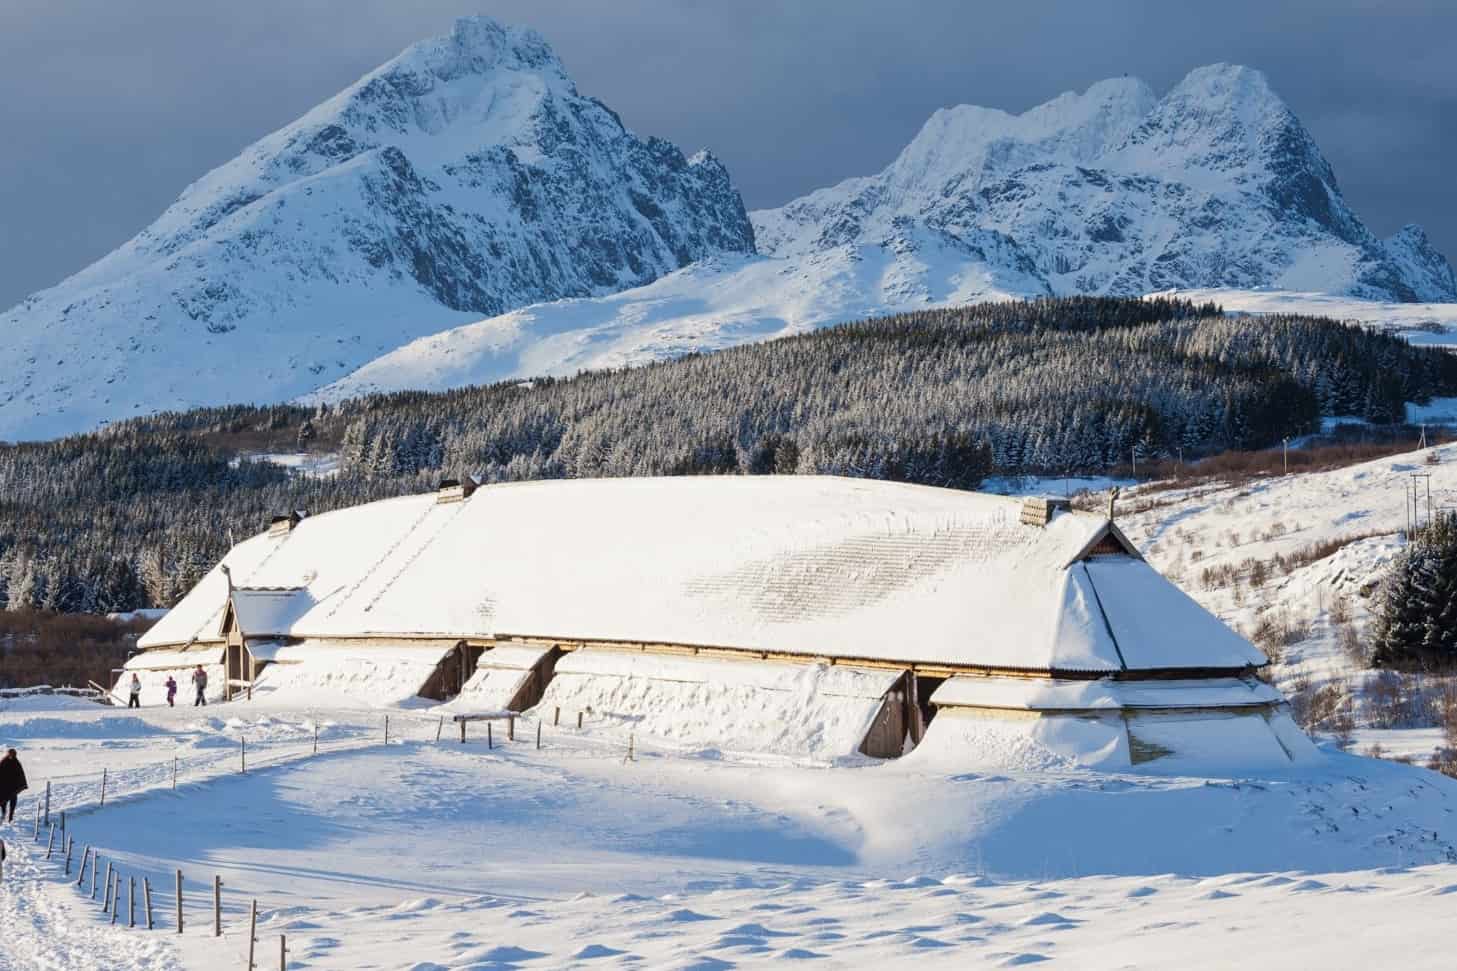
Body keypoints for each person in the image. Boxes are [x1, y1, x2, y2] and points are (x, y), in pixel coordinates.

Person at [0, 748, 27, 824]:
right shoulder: (3, 762)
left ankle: (10, 817)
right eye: (10, 754)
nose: (11, 756)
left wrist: (20, 785)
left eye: (13, 754)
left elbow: (21, 775)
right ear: (8, 754)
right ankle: (3, 814)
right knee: (3, 801)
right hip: (4, 786)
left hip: (13, 787)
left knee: (13, 801)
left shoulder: (17, 763)